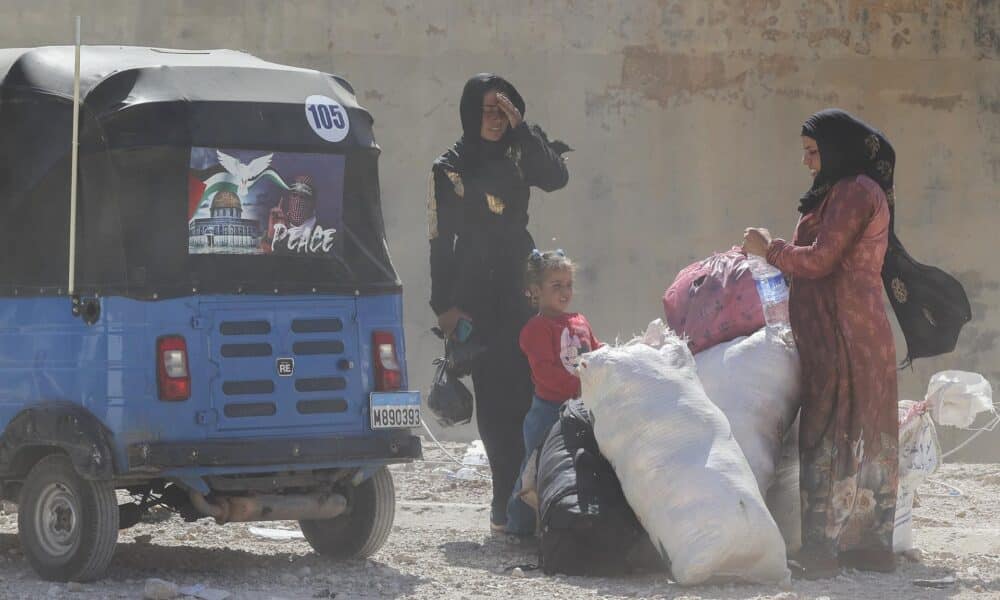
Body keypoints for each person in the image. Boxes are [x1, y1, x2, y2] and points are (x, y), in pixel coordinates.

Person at [743, 109, 901, 578]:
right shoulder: (839, 190)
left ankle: (824, 553)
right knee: (856, 431)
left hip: (846, 335)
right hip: (842, 331)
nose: (809, 163)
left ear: (835, 149)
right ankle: (865, 548)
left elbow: (822, 260)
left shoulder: (854, 192)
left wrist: (768, 248)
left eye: (814, 153)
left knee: (832, 432)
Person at [427, 73, 570, 533]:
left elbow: (556, 177)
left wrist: (522, 127)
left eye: (502, 109)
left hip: (523, 288)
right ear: (471, 112)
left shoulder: (520, 149)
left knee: (535, 391)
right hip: (476, 295)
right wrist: (444, 307)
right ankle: (503, 503)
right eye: (486, 110)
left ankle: (534, 500)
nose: (494, 119)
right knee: (495, 400)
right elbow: (439, 241)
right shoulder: (450, 167)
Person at [506, 249, 602, 537]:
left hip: (580, 408)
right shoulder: (536, 329)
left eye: (568, 285)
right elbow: (547, 374)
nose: (564, 292)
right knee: (534, 468)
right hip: (548, 411)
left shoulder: (580, 321)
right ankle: (518, 525)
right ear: (536, 291)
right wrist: (583, 378)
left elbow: (597, 351)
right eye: (556, 285)